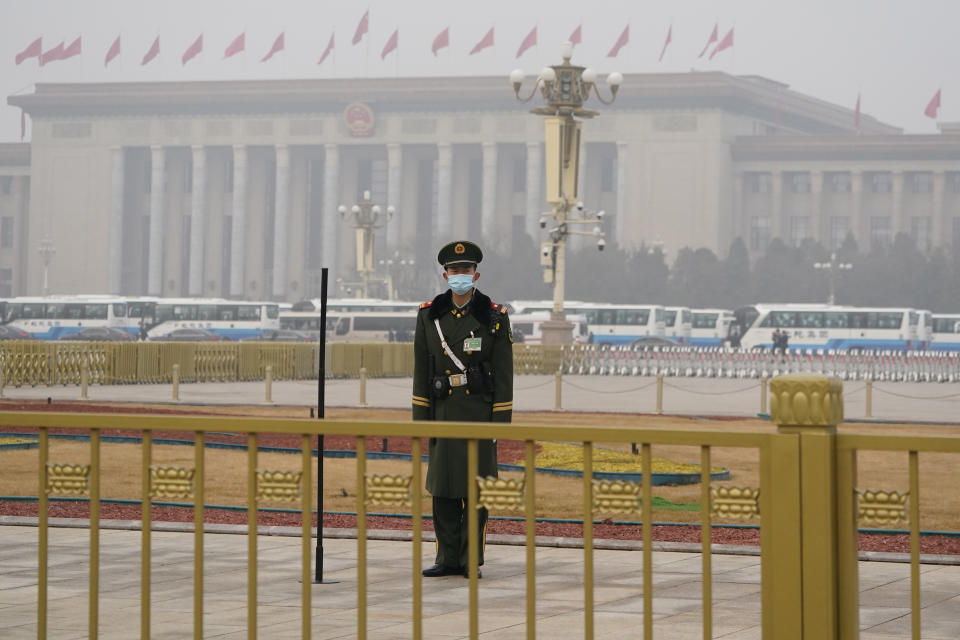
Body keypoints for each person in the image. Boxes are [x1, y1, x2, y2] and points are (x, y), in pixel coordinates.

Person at [412, 240, 514, 579]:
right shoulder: (429, 315)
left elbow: (503, 374)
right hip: (443, 413)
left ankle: (472, 558)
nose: (460, 275)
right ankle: (447, 557)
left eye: (466, 270)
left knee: (476, 489)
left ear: (476, 274)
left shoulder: (494, 316)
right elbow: (421, 373)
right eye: (454, 271)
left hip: (479, 415)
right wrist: (421, 422)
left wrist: (500, 424)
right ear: (445, 275)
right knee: (442, 489)